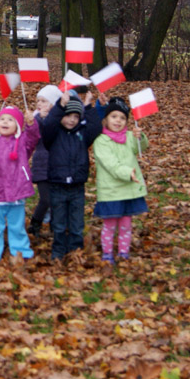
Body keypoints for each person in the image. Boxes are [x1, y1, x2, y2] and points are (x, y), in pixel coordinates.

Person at [40, 89, 102, 261]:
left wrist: (88, 106)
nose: (71, 120)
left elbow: (96, 127)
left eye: (76, 117)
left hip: (77, 185)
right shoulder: (52, 134)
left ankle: (76, 248)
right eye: (68, 116)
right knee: (58, 222)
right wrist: (60, 106)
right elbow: (48, 124)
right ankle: (58, 249)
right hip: (57, 184)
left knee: (76, 222)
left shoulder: (82, 134)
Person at [0, 106, 41, 263]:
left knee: (16, 225)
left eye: (11, 120)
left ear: (17, 125)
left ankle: (21, 251)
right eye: (3, 119)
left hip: (16, 192)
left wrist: (31, 123)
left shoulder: (22, 142)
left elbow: (34, 137)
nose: (5, 122)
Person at [92, 97, 149, 264]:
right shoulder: (101, 140)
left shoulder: (129, 136)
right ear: (106, 119)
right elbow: (110, 163)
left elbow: (141, 147)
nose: (118, 121)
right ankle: (107, 254)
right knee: (110, 225)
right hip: (111, 191)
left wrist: (140, 137)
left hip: (128, 190)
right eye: (114, 116)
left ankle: (124, 252)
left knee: (126, 224)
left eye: (122, 118)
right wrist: (127, 172)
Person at [27, 85, 59, 237]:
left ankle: (54, 226)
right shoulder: (35, 119)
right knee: (46, 199)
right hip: (41, 165)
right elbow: (33, 134)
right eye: (38, 100)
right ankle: (35, 224)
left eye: (44, 101)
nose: (39, 104)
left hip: (57, 165)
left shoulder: (59, 119)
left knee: (56, 199)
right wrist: (40, 118)